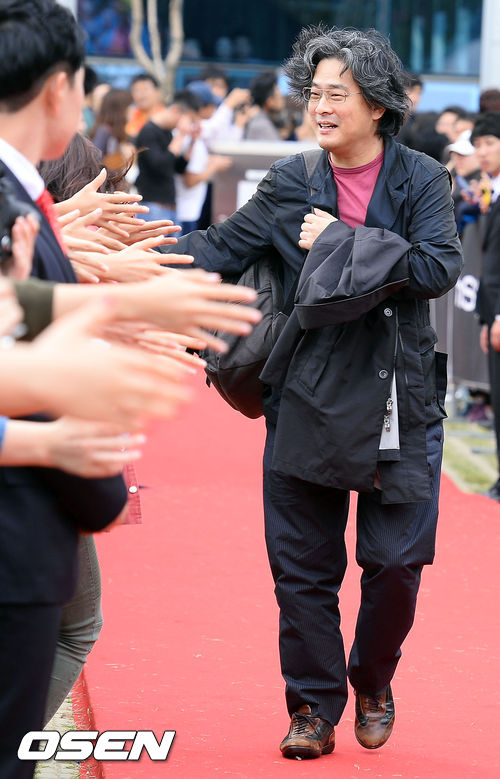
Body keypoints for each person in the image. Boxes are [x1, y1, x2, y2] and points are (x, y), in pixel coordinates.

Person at [161, 24, 463, 760]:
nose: (321, 107)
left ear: (378, 105)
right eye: (315, 93)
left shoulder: (421, 178)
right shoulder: (292, 179)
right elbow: (219, 246)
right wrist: (125, 249)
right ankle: (312, 707)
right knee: (301, 568)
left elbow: (437, 268)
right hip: (308, 392)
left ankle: (373, 677)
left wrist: (337, 242)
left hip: (398, 398)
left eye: (338, 94)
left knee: (396, 562)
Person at [471, 113, 500, 501]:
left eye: (490, 143)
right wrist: (485, 317)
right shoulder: (489, 193)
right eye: (478, 145)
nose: (482, 152)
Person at [134, 90, 201, 224]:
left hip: (170, 206)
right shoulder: (148, 131)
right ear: (176, 110)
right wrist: (180, 136)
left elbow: (177, 168)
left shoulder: (168, 133)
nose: (189, 124)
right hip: (153, 206)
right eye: (189, 119)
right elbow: (159, 165)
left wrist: (192, 141)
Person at [244, 70, 285, 141]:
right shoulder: (261, 126)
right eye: (279, 95)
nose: (282, 98)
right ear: (270, 101)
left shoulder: (262, 121)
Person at [125, 72, 163, 138]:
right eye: (136, 90)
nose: (141, 94)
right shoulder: (131, 116)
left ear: (157, 92)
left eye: (145, 89)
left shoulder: (165, 116)